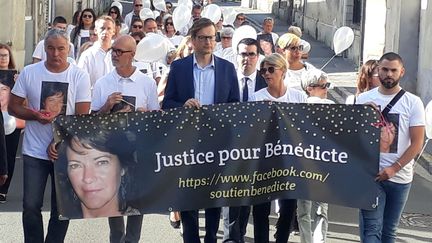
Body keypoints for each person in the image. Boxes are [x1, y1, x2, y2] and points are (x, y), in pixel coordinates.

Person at [8, 28, 91, 243]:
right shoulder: (29, 72)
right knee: (31, 205)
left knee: (62, 208)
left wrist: (60, 143)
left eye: (61, 49)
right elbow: (13, 107)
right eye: (51, 48)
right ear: (44, 49)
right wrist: (35, 115)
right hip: (34, 151)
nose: (55, 54)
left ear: (69, 49)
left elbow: (82, 118)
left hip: (65, 152)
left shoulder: (79, 76)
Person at [162, 17, 239, 243]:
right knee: (188, 194)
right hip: (187, 143)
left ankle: (211, 238)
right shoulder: (179, 67)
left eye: (212, 37)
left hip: (216, 143)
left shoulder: (227, 69)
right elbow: (167, 103)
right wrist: (182, 106)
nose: (208, 42)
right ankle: (191, 238)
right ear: (193, 40)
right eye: (203, 37)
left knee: (214, 195)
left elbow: (235, 105)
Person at [91, 35, 159, 243]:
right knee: (114, 200)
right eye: (113, 50)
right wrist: (106, 107)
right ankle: (117, 238)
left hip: (138, 150)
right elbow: (91, 121)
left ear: (132, 55)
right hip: (111, 150)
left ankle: (131, 240)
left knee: (137, 199)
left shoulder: (146, 83)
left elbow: (156, 119)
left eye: (120, 51)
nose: (115, 54)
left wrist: (144, 113)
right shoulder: (104, 83)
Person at [356, 52, 425, 243]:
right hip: (370, 176)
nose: (389, 74)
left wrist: (394, 168)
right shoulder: (363, 99)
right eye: (385, 69)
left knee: (389, 232)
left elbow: (417, 142)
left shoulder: (413, 102)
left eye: (393, 70)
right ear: (378, 70)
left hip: (400, 177)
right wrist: (361, 114)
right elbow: (353, 138)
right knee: (371, 231)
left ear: (401, 72)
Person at [249, 53, 306, 243]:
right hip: (263, 162)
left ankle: (281, 237)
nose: (266, 73)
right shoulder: (256, 97)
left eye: (271, 69)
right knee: (260, 209)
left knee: (289, 207)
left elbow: (305, 129)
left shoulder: (298, 96)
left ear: (283, 70)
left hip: (290, 162)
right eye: (263, 70)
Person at [221, 38, 267, 243]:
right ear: (236, 55)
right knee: (230, 199)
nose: (246, 59)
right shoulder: (224, 79)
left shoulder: (266, 82)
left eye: (251, 54)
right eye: (243, 54)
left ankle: (238, 235)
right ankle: (232, 239)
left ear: (258, 57)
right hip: (230, 149)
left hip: (258, 150)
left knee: (247, 201)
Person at [59, 131, 139, 219]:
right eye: (75, 165)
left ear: (123, 167)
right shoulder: (64, 221)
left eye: (101, 162)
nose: (88, 178)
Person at [298, 69, 333, 243]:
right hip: (321, 163)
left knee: (305, 208)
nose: (326, 89)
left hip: (306, 164)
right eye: (323, 86)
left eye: (327, 85)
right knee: (321, 208)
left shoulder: (296, 105)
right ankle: (318, 240)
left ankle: (308, 240)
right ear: (310, 88)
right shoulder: (332, 106)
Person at [0, 43, 20, 202]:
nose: (2, 58)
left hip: (12, 118)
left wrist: (18, 82)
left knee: (10, 155)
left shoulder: (16, 76)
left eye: (5, 55)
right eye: (0, 55)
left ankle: (3, 189)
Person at [77, 15, 115, 88]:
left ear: (113, 31)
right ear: (95, 30)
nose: (105, 32)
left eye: (109, 28)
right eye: (102, 28)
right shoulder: (87, 55)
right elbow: (81, 83)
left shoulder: (119, 54)